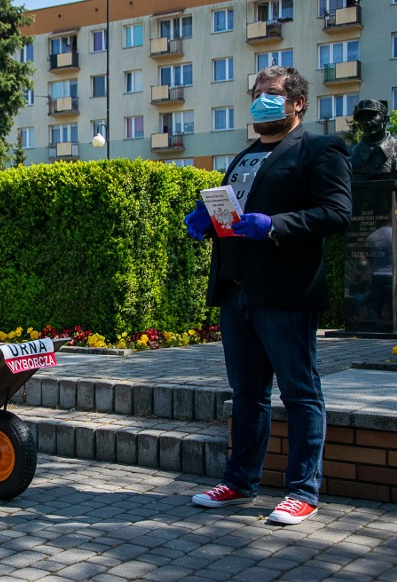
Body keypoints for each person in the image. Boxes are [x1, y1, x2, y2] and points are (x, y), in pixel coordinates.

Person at [184, 66, 352, 525]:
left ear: (298, 103)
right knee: (247, 394)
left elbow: (336, 213)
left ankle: (303, 491)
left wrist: (274, 225)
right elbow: (234, 212)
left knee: (300, 393)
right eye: (257, 94)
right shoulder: (243, 156)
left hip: (285, 291)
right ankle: (240, 482)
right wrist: (207, 218)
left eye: (273, 94)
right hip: (236, 289)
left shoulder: (320, 149)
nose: (262, 101)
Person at [349, 99, 397, 180]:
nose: (367, 122)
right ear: (359, 127)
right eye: (362, 119)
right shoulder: (350, 155)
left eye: (372, 117)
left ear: (385, 120)